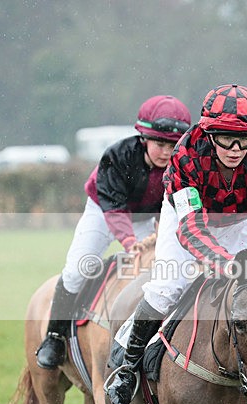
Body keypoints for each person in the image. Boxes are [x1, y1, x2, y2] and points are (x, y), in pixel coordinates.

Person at [106, 84, 247, 404]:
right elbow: (191, 227)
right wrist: (224, 265)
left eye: (245, 139)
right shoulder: (186, 154)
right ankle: (128, 369)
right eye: (226, 138)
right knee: (167, 287)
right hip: (187, 219)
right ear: (208, 134)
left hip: (238, 221)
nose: (236, 149)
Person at [35, 95, 192, 370]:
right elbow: (114, 209)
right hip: (104, 209)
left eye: (173, 145)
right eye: (160, 144)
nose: (167, 152)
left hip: (148, 215)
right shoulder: (118, 156)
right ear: (144, 138)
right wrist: (130, 241)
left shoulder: (183, 164)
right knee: (76, 270)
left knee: (162, 274)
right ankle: (55, 337)